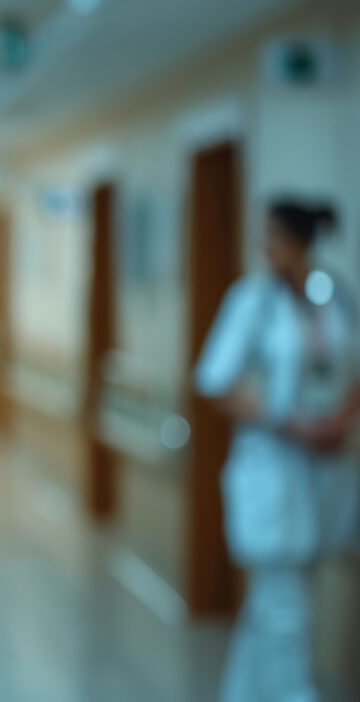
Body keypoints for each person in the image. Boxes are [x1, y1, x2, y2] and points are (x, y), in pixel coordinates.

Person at [195, 198, 360, 702]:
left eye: (275, 238)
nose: (266, 249)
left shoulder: (335, 298)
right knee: (284, 607)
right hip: (271, 463)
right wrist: (288, 423)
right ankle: (295, 694)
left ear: (300, 242)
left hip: (325, 464)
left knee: (276, 600)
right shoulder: (252, 300)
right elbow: (215, 380)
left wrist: (340, 422)